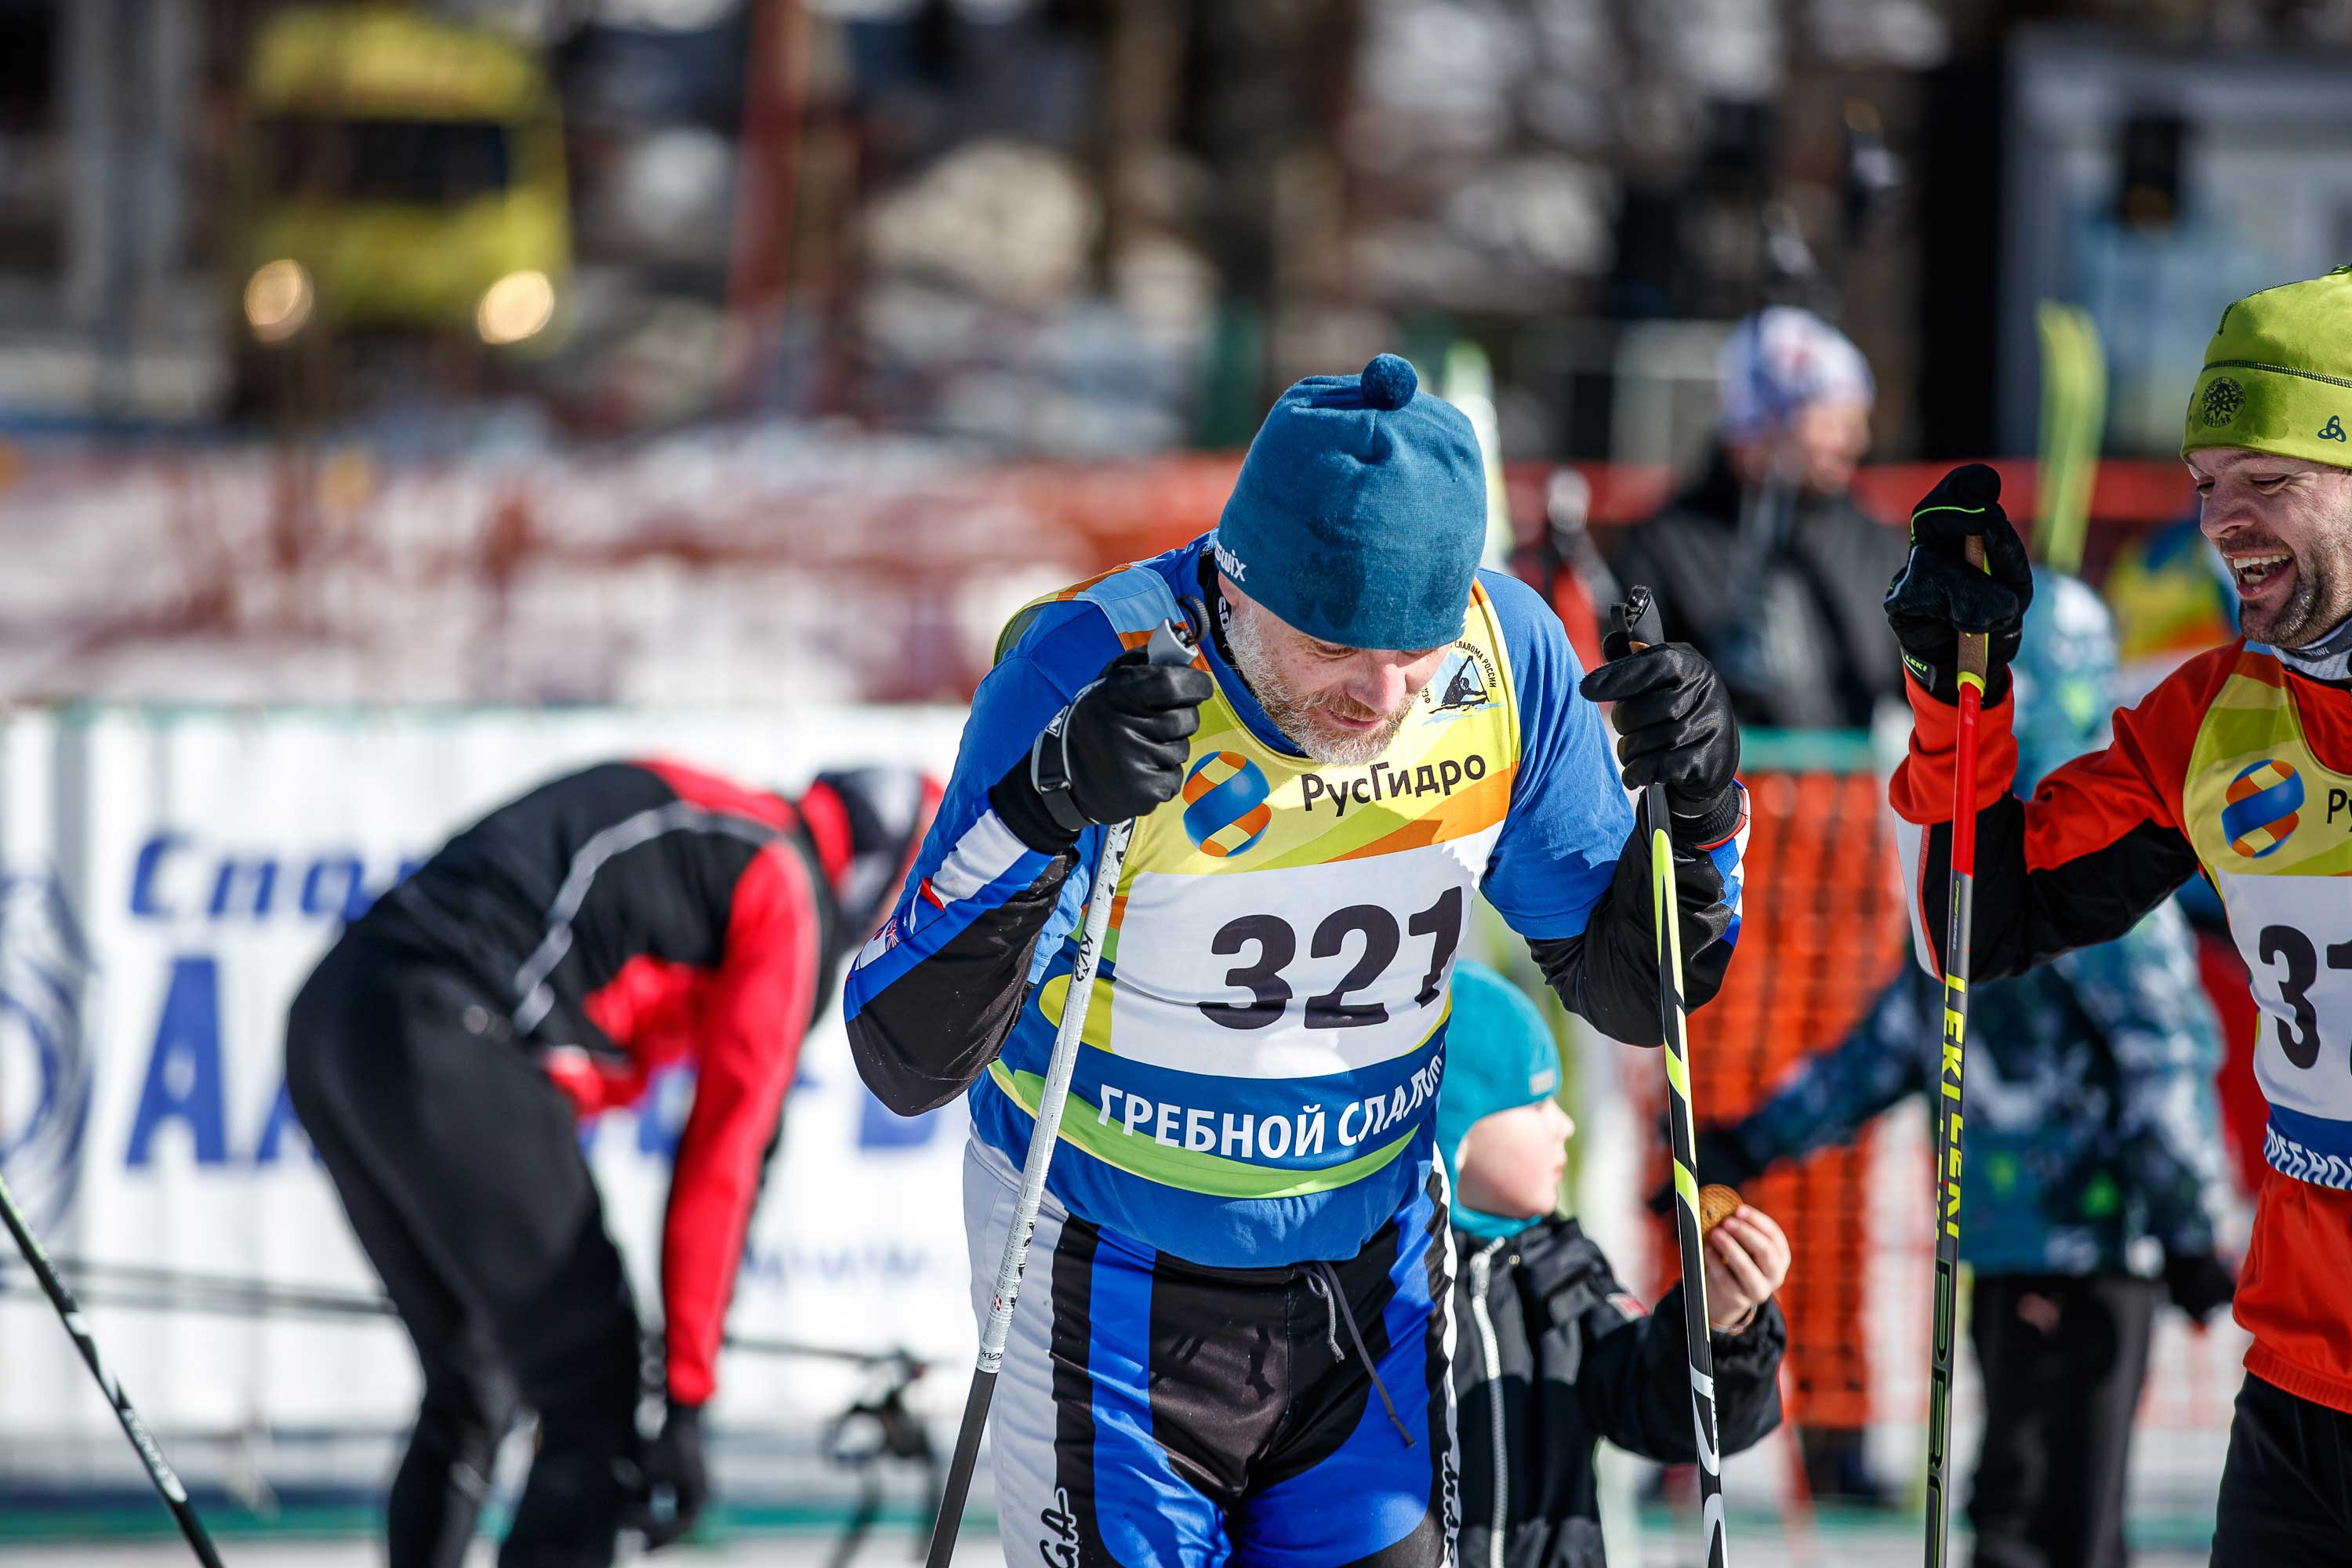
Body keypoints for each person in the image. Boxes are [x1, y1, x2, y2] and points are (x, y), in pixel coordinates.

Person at [846, 353, 1749, 1565]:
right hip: (1109, 1285)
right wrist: (1048, 799)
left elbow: (1637, 992)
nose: (1382, 695)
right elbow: (902, 1050)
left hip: (1368, 1291)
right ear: (1239, 583)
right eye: (1335, 645)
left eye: (1417, 649)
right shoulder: (1097, 667)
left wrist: (1701, 812)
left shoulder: (1504, 661)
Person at [1881, 266, 2352, 1563]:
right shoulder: (2216, 722)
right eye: (2206, 484)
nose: (2223, 521)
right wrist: (1961, 700)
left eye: (2267, 479)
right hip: (2302, 1396)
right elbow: (1977, 934)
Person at [1683, 569, 2232, 1568]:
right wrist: (1751, 1139)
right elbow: (1914, 1036)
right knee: (2040, 1506)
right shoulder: (2027, 868)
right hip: (2045, 1237)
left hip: (2072, 1235)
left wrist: (2188, 1223)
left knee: (2052, 1504)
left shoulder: (2036, 866)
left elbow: (2152, 1050)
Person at [285, 760, 938, 1568]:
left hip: (332, 1017)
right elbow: (724, 1161)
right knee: (593, 1385)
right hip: (447, 1028)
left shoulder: (725, 818)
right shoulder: (785, 890)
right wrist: (688, 1401)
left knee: (474, 1373)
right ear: (879, 884)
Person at [1443, 961, 1787, 1568]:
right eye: (1536, 1103)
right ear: (1456, 1129)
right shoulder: (1383, 1283)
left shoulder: (1559, 1268)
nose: (1564, 1124)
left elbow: (1656, 1405)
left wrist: (1723, 1322)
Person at [1611, 306, 1907, 729]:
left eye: (1857, 421)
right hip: (1723, 771)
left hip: (1855, 772)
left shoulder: (1874, 545)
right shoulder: (1666, 547)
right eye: (1833, 423)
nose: (1857, 441)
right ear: (1761, 424)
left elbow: (1911, 687)